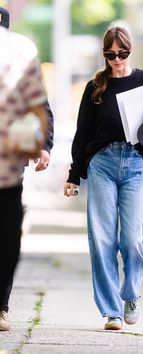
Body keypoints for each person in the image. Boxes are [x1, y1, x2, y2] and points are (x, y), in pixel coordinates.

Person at [64, 26, 143, 330]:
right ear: (104, 54)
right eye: (111, 54)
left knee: (132, 238)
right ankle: (112, 312)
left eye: (123, 53)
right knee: (102, 240)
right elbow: (83, 133)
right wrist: (74, 174)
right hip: (103, 163)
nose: (117, 60)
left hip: (135, 162)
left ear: (130, 50)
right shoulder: (96, 85)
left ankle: (131, 293)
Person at [0, 6, 51, 331]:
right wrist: (33, 148)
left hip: (8, 168)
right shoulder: (21, 49)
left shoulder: (21, 48)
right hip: (7, 170)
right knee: (6, 239)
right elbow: (37, 107)